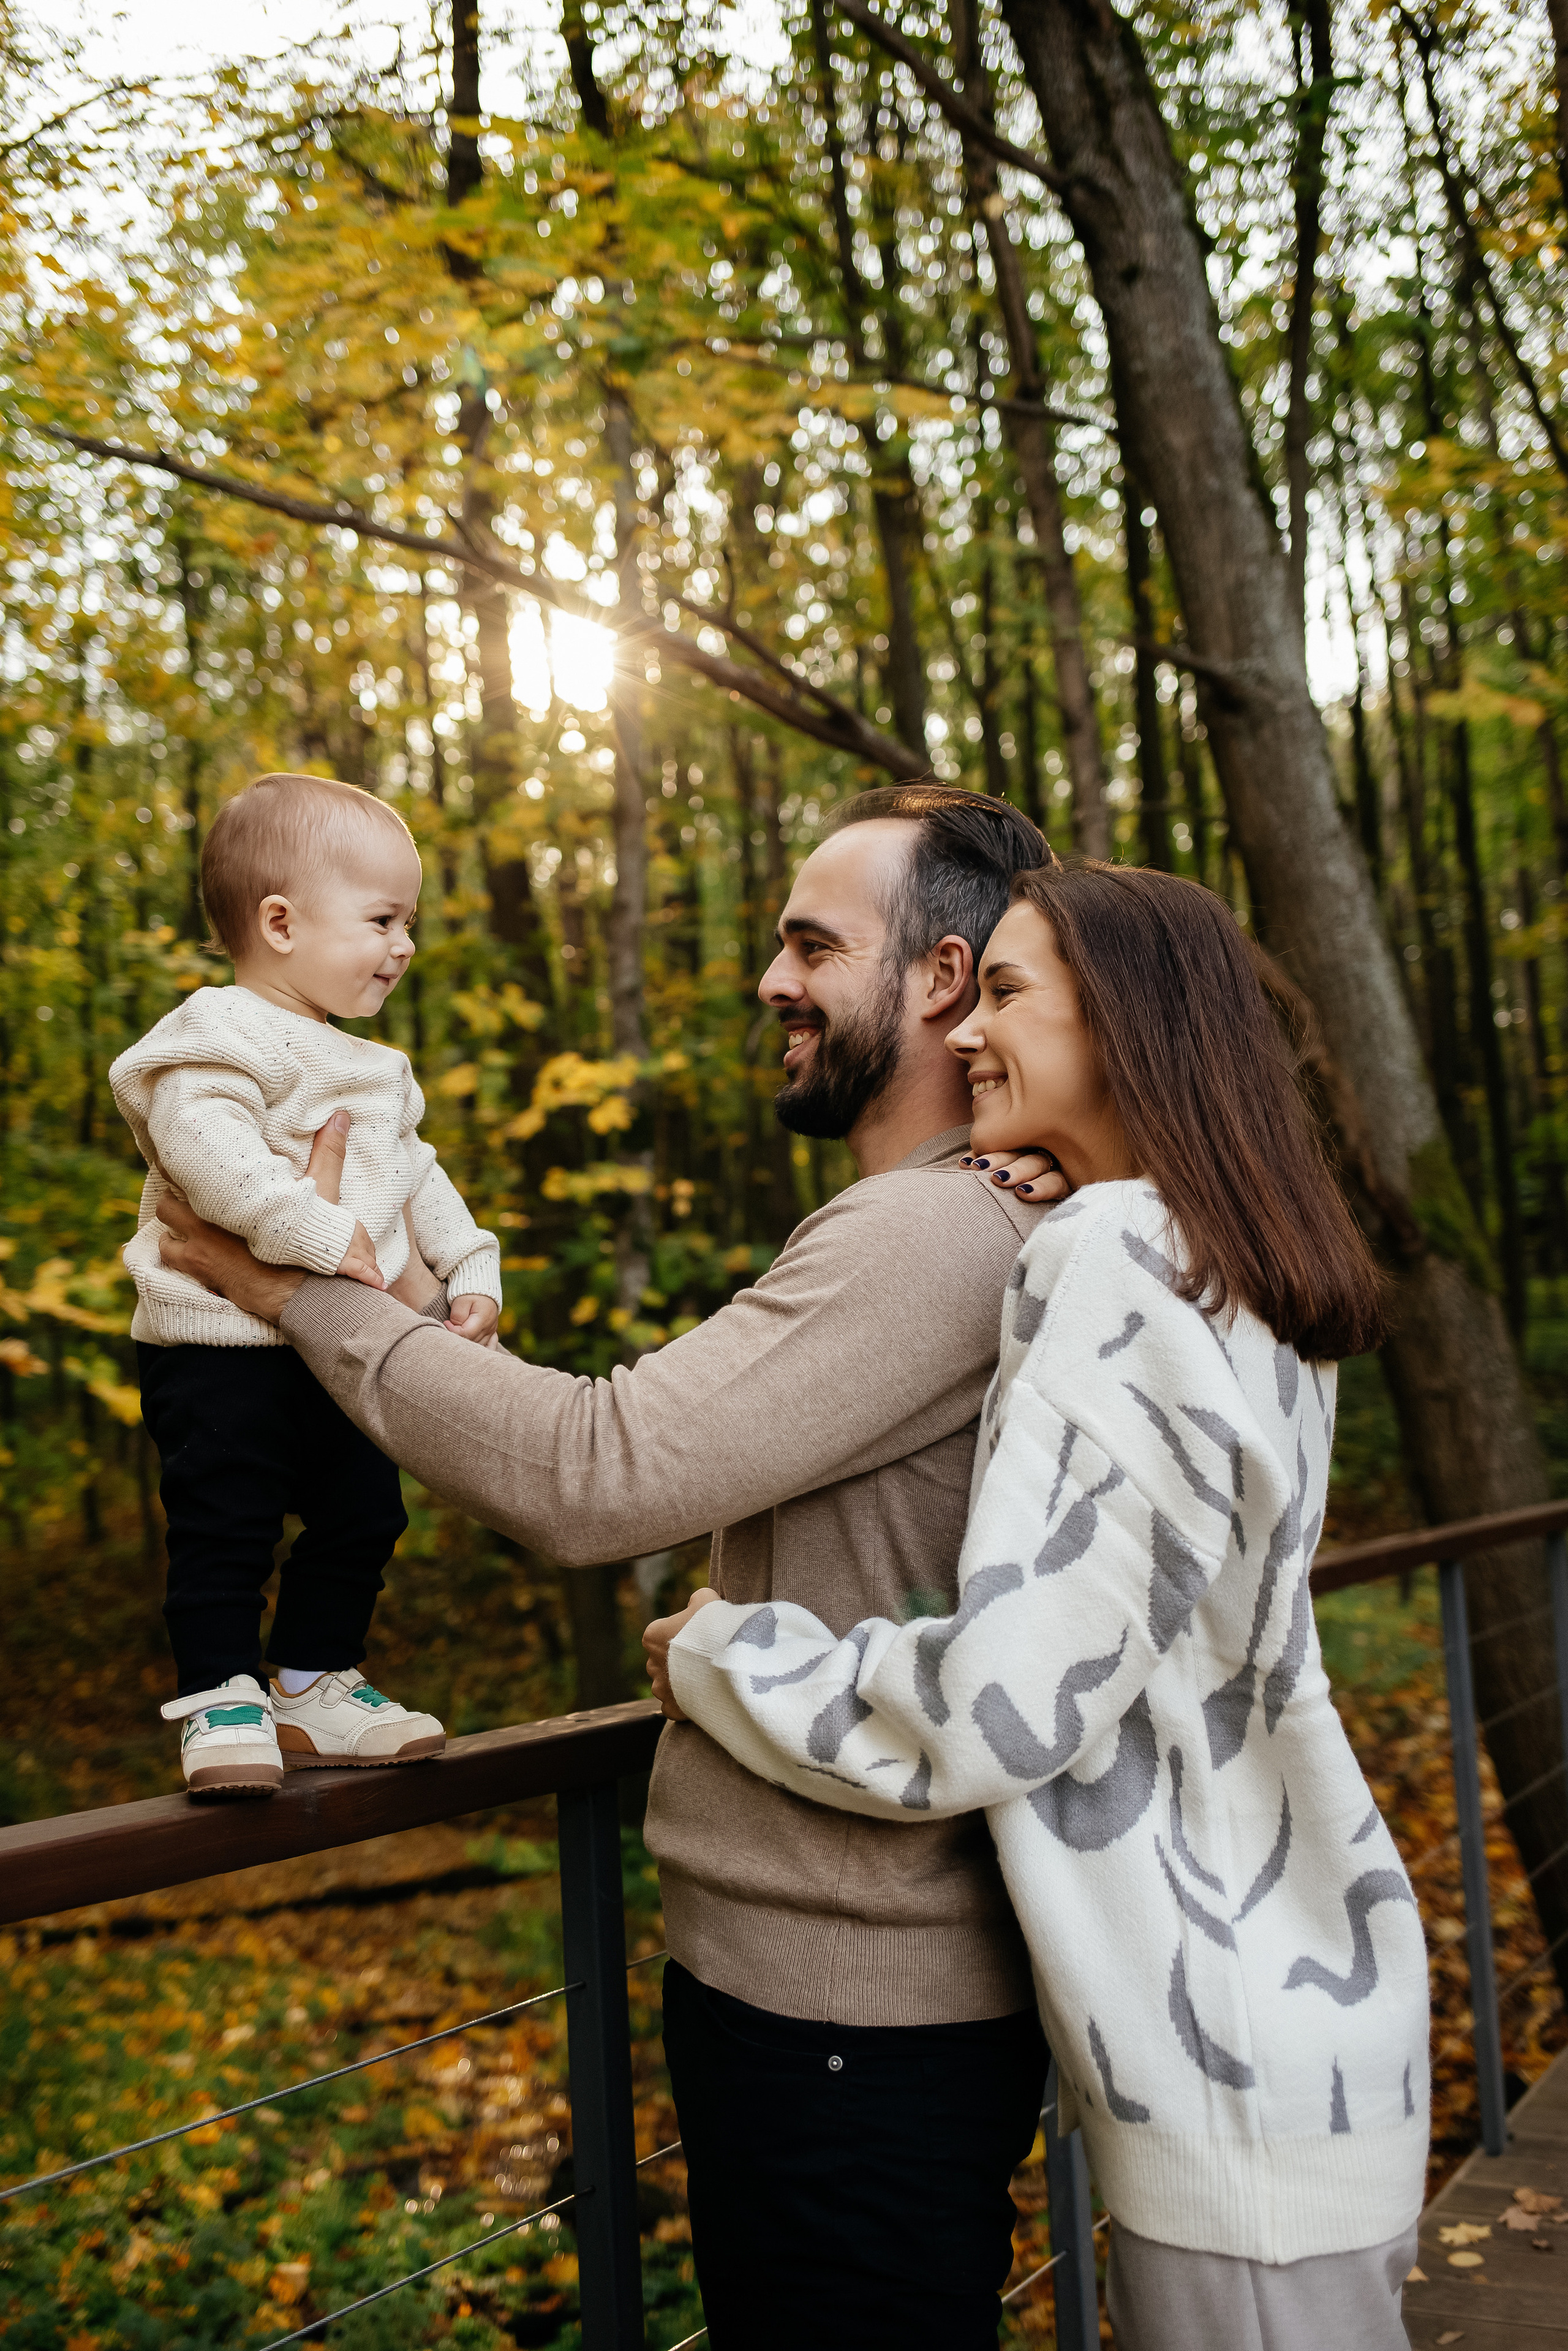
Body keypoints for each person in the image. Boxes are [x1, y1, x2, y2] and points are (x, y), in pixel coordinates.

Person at [152, 784, 1068, 2350]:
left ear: (934, 977)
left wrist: (274, 1281)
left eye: (809, 944)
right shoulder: (984, 1212)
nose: (771, 980)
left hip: (851, 2008)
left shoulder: (925, 1235)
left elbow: (597, 1470)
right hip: (854, 1981)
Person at [646, 861, 1430, 2351]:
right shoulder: (1226, 1261)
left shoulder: (1115, 1262)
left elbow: (1000, 1708)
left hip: (1231, 2056)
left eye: (1003, 993)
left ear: (1128, 1025)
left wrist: (730, 1650)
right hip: (1299, 2012)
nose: (959, 1037)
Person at [110, 772, 501, 1797]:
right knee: (224, 1516)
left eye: (408, 920)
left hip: (335, 1344)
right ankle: (219, 1694)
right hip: (215, 1345)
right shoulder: (215, 1031)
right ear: (280, 922)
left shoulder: (375, 1066)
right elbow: (205, 1151)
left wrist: (469, 1264)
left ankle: (315, 1680)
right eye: (383, 918)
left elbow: (418, 1175)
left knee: (366, 1508)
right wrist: (308, 1227)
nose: (404, 944)